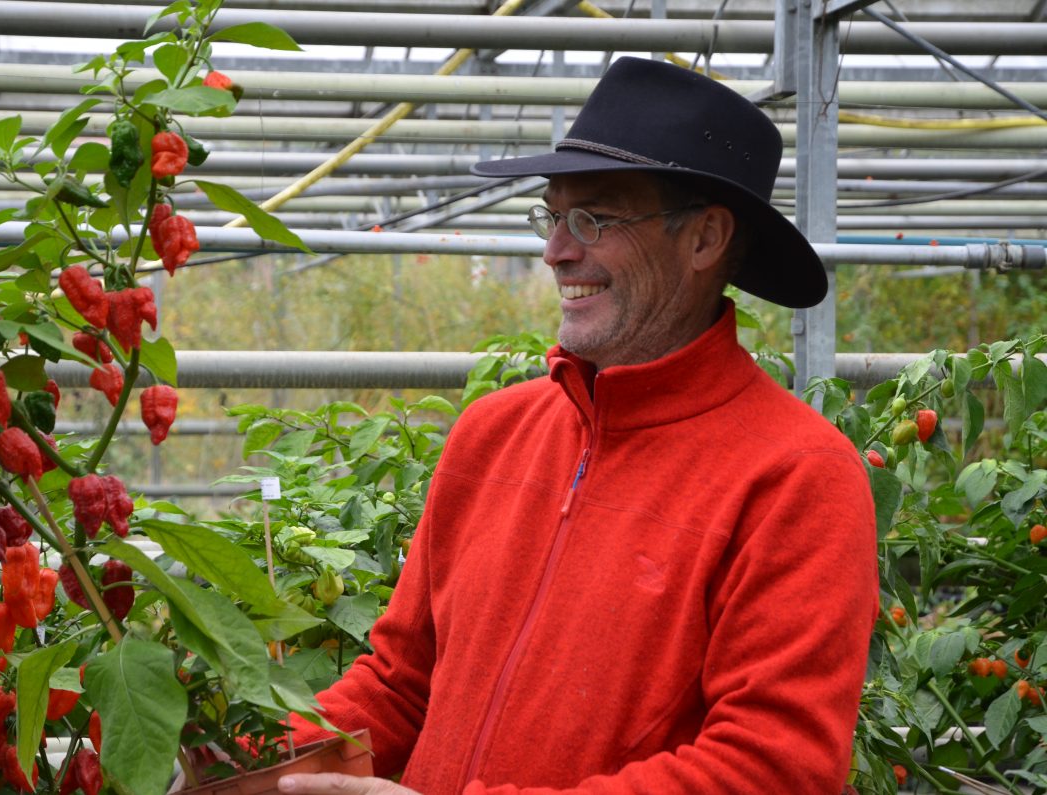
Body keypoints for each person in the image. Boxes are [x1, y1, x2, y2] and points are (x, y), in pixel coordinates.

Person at [277, 57, 879, 795]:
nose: (557, 250)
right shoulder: (492, 434)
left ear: (704, 239)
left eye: (594, 218)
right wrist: (228, 753)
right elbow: (402, 685)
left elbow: (771, 767)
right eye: (553, 215)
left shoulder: (795, 475)